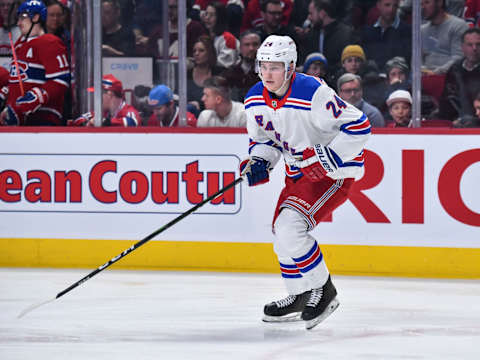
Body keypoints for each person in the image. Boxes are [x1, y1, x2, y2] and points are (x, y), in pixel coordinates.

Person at [241, 35, 370, 330]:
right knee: (282, 235)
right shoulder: (253, 98)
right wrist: (260, 161)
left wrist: (326, 159)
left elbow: (360, 125)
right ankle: (299, 294)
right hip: (299, 173)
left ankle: (323, 290)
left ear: (289, 68)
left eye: (275, 67)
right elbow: (264, 141)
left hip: (333, 174)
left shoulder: (312, 92)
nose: (267, 73)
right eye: (263, 66)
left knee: (291, 228)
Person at [0, 0, 70, 126]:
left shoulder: (50, 42)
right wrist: (7, 95)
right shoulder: (19, 44)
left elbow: (60, 80)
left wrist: (36, 97)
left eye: (22, 17)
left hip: (43, 117)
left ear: (36, 17)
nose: (18, 23)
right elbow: (20, 78)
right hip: (18, 118)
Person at [303, 0, 358, 73]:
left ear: (322, 13)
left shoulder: (346, 34)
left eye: (311, 13)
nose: (309, 17)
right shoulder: (311, 34)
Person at [438, 28, 480, 125]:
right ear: (462, 47)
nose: (474, 48)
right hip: (457, 123)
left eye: (478, 44)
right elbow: (447, 100)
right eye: (470, 45)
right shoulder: (455, 69)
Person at [68, 74, 140, 127]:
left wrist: (104, 122)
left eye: (98, 94)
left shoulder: (128, 110)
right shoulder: (103, 112)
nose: (95, 98)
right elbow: (78, 120)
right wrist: (87, 123)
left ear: (110, 94)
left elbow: (133, 122)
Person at [360, 0, 412, 70]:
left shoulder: (408, 32)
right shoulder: (367, 32)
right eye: (387, 5)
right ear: (378, 5)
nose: (391, 10)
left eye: (395, 6)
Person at [421, 0, 469, 75]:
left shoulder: (458, 26)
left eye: (427, 2)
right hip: (425, 77)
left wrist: (435, 73)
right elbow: (418, 58)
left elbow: (459, 58)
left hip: (449, 78)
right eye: (421, 4)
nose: (422, 7)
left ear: (440, 2)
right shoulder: (422, 30)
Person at [220, 30, 261, 102]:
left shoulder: (268, 73)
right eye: (247, 45)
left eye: (255, 44)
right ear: (240, 48)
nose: (251, 48)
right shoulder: (230, 73)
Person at [187, 35, 223, 116]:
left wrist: (200, 104)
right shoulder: (186, 74)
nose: (196, 54)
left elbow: (223, 98)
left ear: (210, 53)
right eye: (194, 51)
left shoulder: (219, 73)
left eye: (201, 51)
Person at [201, 2, 240, 69]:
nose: (207, 18)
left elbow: (226, 64)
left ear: (220, 18)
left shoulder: (228, 38)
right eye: (206, 14)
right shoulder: (204, 36)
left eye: (212, 15)